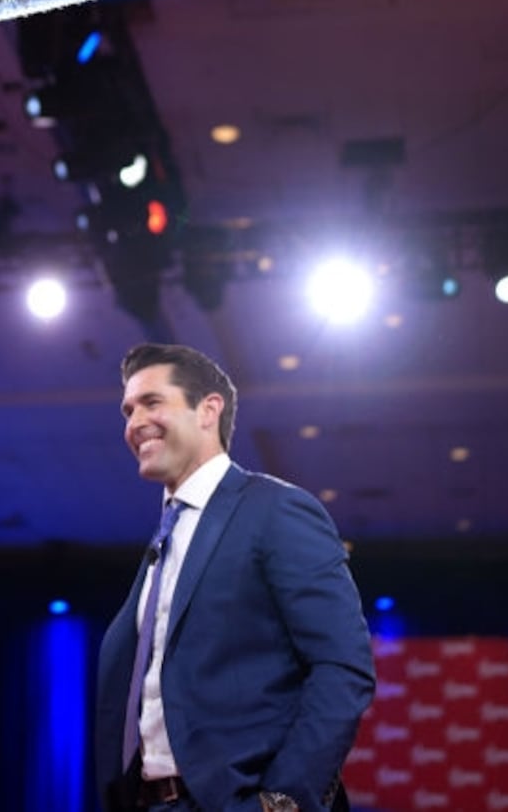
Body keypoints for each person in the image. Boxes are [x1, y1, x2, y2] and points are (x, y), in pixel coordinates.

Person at [95, 343, 376, 812]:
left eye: (151, 402)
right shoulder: (164, 538)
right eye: (127, 410)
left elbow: (342, 666)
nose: (134, 422)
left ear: (209, 410)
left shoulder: (275, 510)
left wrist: (281, 802)